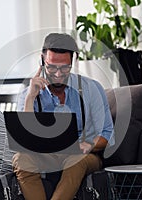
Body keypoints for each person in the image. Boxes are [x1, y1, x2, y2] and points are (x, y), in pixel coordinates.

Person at [12, 33, 114, 200]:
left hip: (82, 155)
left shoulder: (92, 88)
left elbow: (107, 134)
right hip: (45, 156)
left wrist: (87, 145)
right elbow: (24, 140)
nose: (58, 74)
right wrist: (31, 97)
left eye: (65, 67)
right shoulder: (28, 94)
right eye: (51, 67)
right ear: (42, 61)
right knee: (21, 159)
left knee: (76, 160)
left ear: (73, 61)